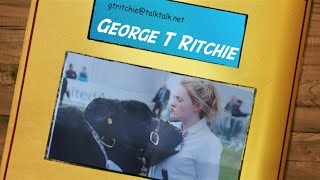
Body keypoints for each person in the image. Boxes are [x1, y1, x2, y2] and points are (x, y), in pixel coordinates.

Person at [148, 77, 223, 180]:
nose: (172, 103)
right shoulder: (170, 127)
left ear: (197, 106)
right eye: (174, 97)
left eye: (179, 100)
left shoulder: (209, 143)